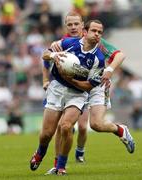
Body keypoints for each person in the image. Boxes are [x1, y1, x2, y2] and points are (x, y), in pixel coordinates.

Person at [44, 12, 135, 175]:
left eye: (76, 24)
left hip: (97, 85)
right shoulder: (67, 42)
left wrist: (109, 69)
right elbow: (47, 57)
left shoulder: (98, 40)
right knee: (63, 126)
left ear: (82, 25)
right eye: (70, 24)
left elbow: (120, 55)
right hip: (77, 87)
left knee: (95, 125)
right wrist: (51, 60)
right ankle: (58, 165)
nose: (73, 27)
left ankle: (119, 130)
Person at [30, 19, 106, 175]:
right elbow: (45, 54)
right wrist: (54, 55)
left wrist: (71, 78)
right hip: (57, 89)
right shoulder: (69, 43)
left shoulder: (99, 59)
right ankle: (39, 153)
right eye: (94, 31)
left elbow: (88, 86)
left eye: (99, 32)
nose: (97, 34)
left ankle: (61, 166)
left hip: (77, 94)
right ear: (85, 31)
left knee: (66, 127)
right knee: (46, 134)